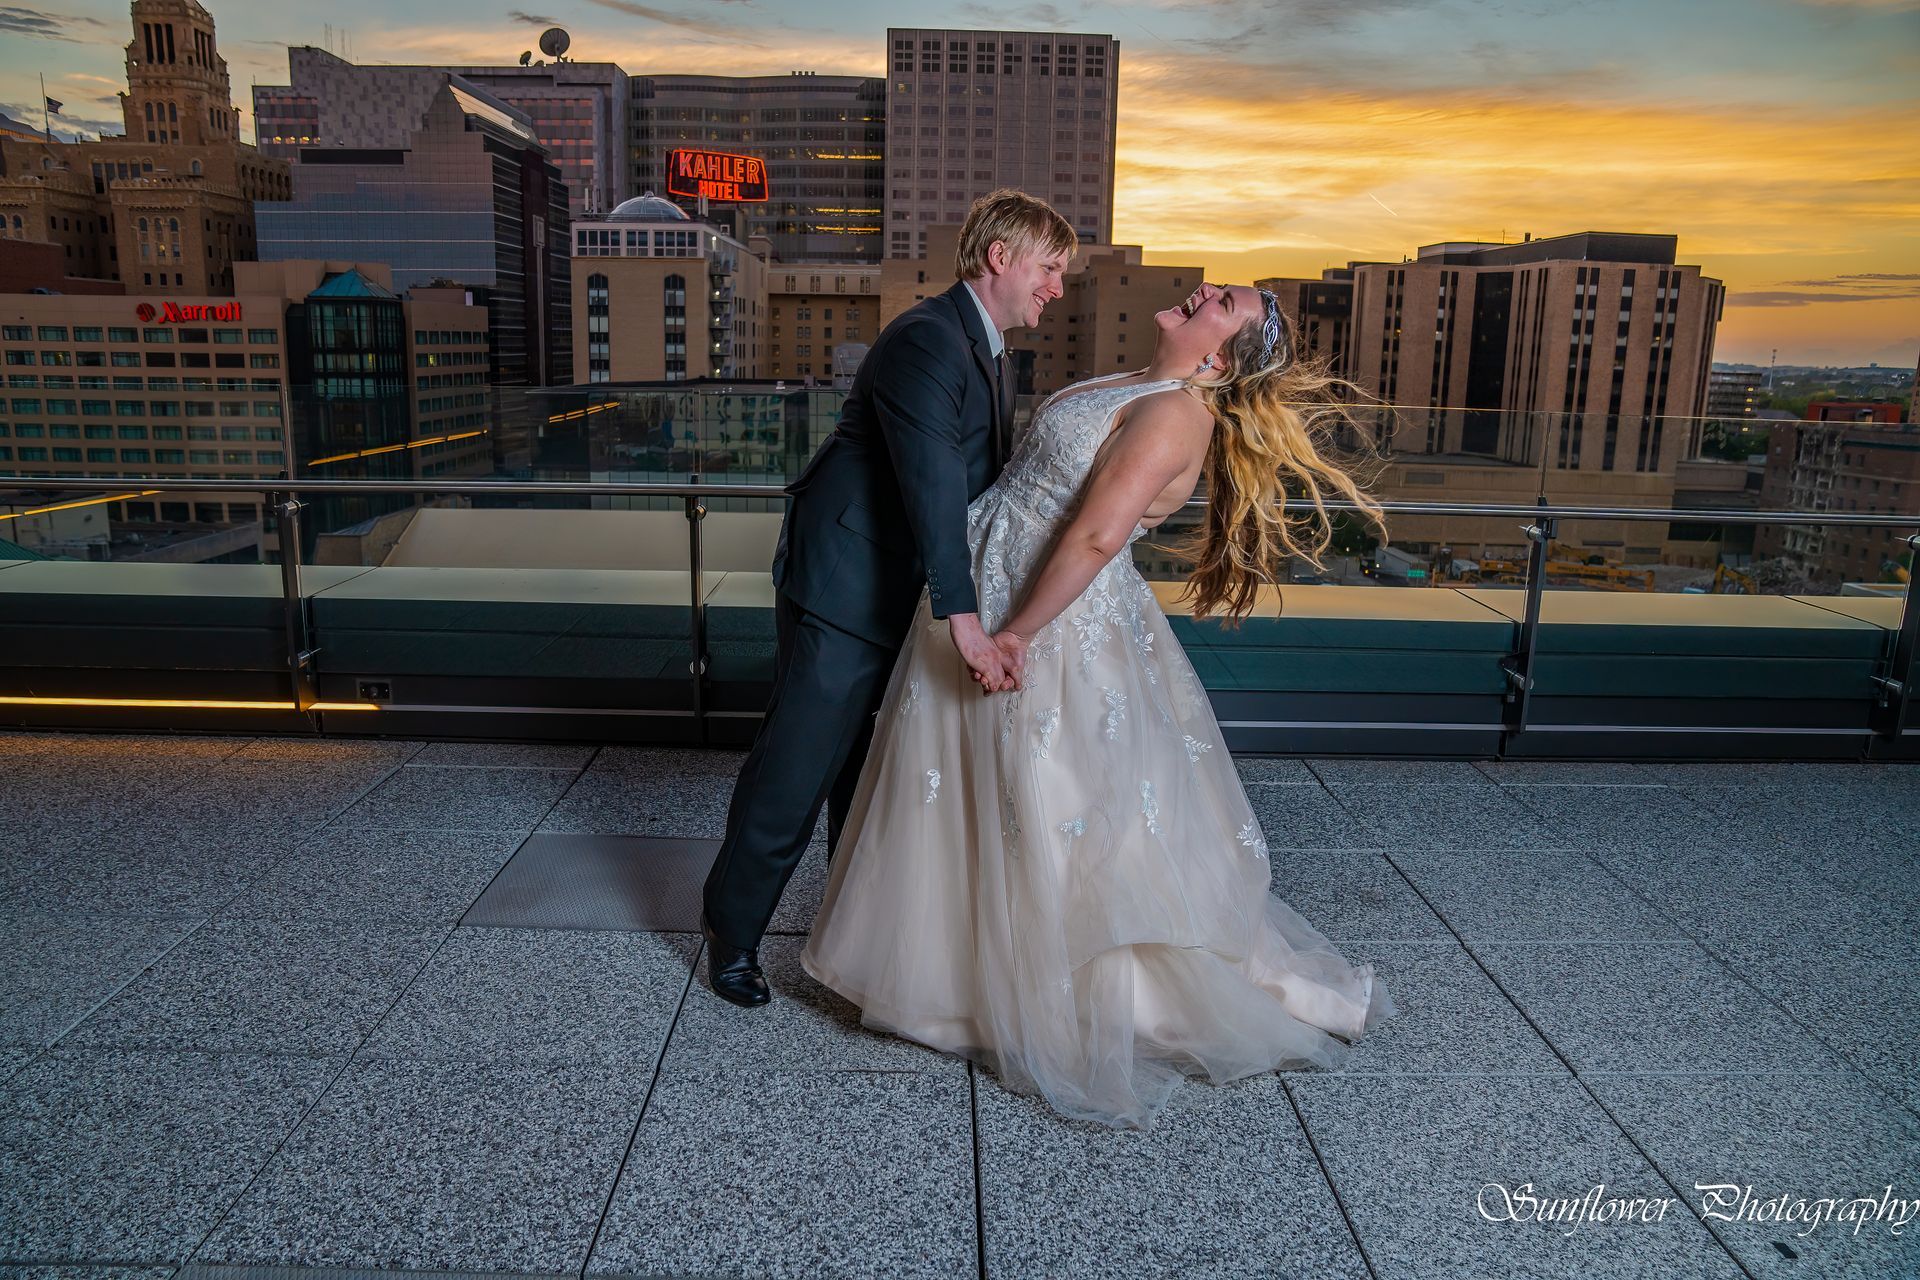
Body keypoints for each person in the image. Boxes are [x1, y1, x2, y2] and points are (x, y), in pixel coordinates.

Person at [798, 281, 1399, 1130]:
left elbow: (1094, 535)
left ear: (1220, 357)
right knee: (981, 786)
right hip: (992, 583)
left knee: (1058, 798)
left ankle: (1069, 980)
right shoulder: (1128, 383)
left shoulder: (1179, 416)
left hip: (1054, 618)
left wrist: (1018, 635)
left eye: (1223, 301)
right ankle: (954, 974)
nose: (1204, 289)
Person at [699, 191, 1077, 1006]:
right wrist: (964, 620)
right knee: (797, 771)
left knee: (866, 778)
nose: (1057, 288)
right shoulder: (928, 340)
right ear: (1000, 257)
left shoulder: (991, 351)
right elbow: (935, 486)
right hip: (847, 588)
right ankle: (730, 937)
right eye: (1049, 269)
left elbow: (983, 484)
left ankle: (848, 935)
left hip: (894, 589)